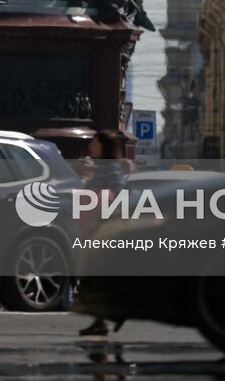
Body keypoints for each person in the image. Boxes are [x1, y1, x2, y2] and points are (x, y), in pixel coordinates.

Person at [78, 129, 130, 337]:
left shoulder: (111, 169)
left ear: (104, 146)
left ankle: (108, 316)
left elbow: (117, 193)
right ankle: (106, 317)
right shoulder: (104, 168)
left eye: (95, 142)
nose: (91, 146)